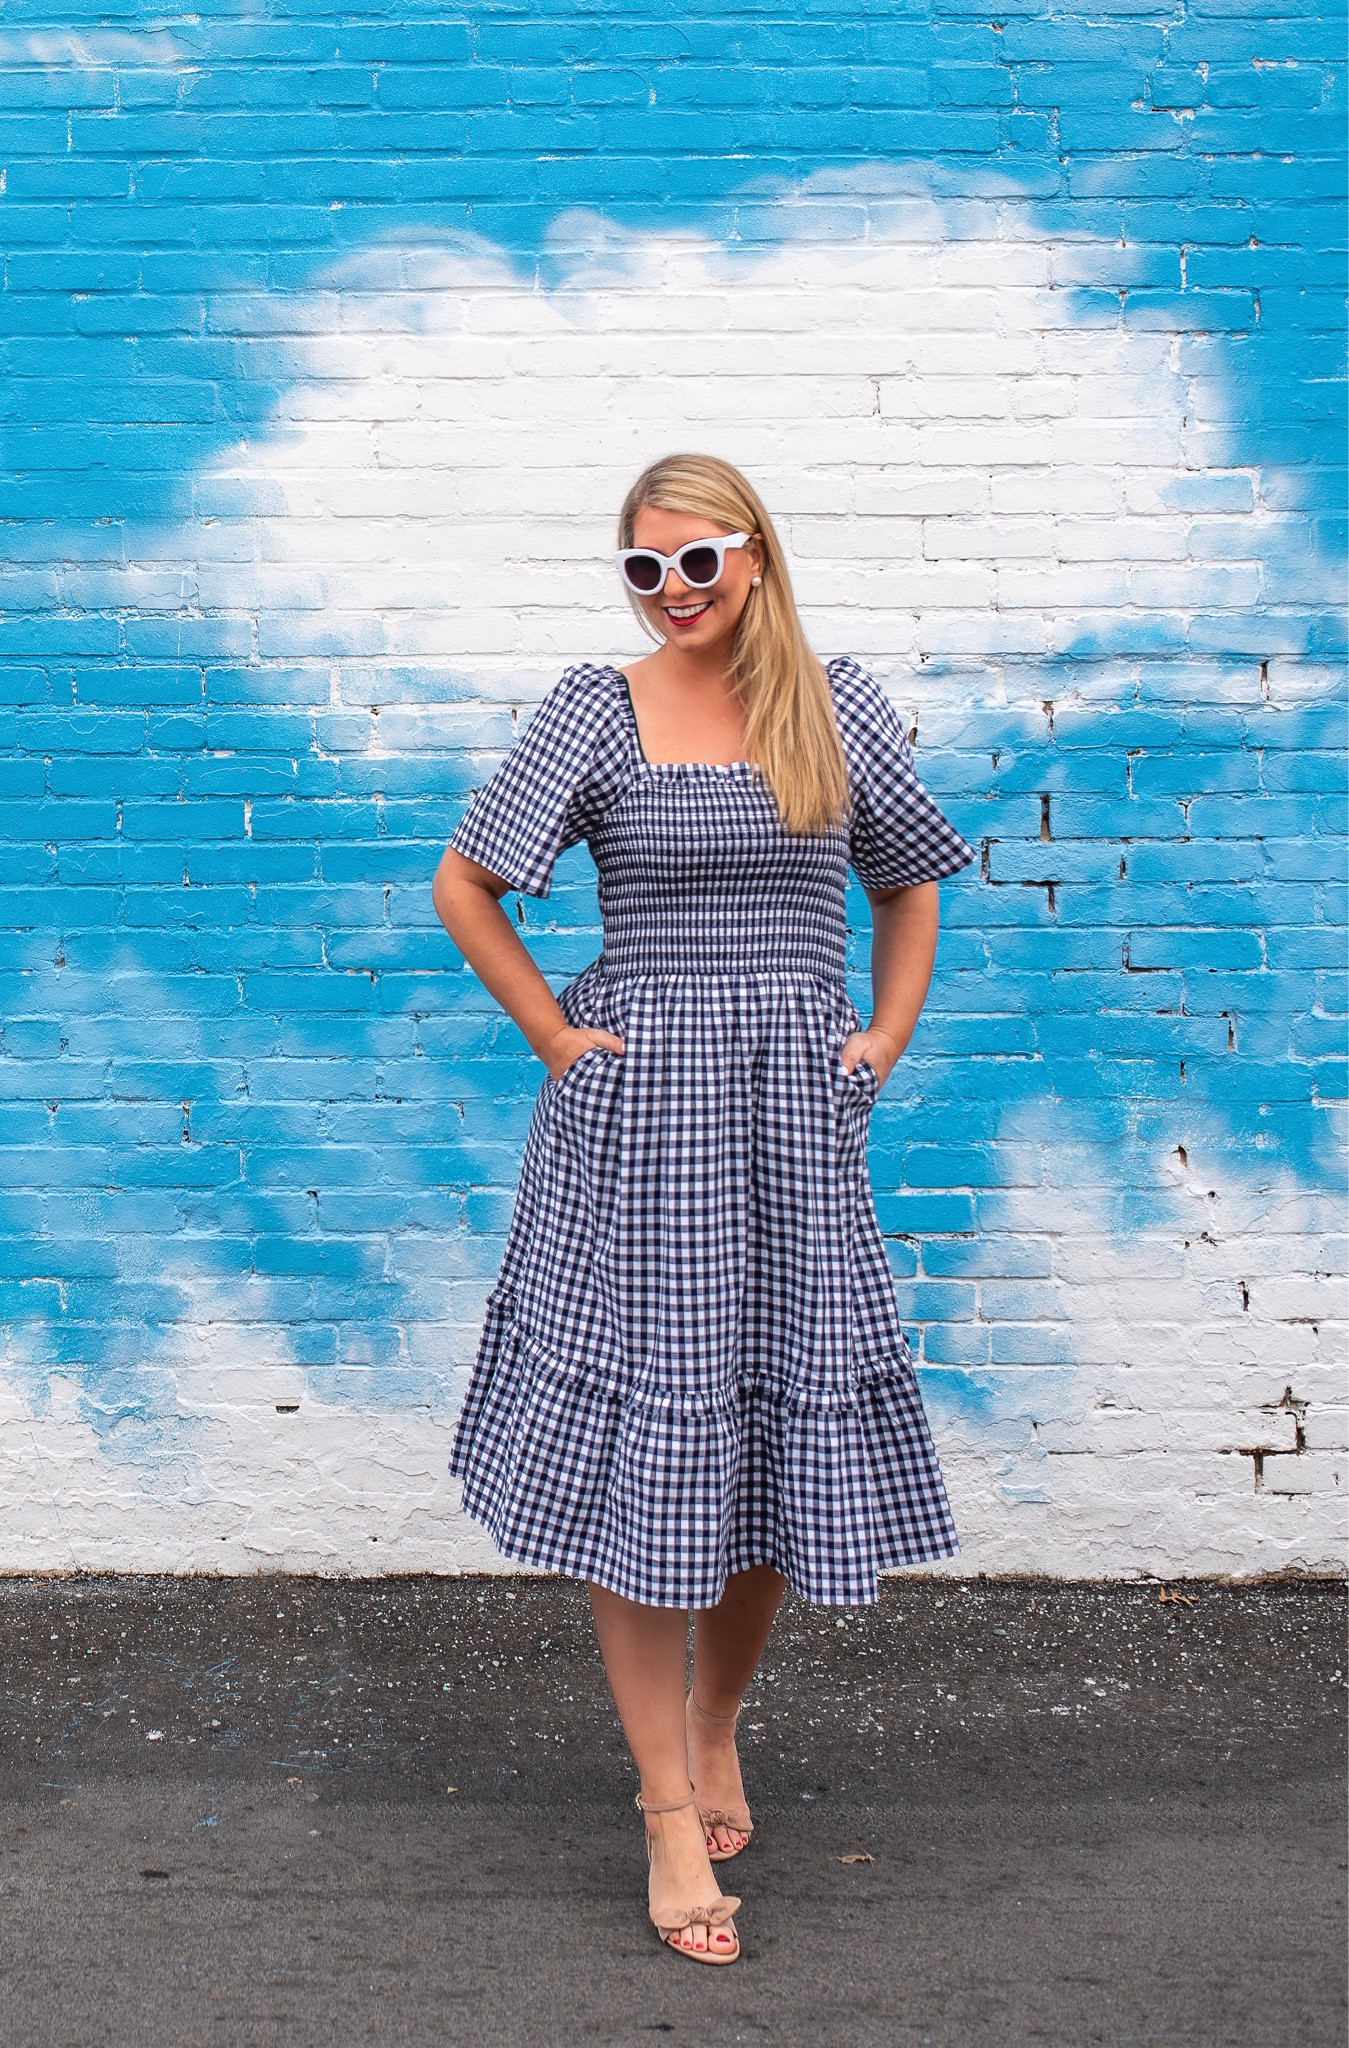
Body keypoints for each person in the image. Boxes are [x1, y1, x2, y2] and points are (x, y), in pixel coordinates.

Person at [432, 453, 972, 1965]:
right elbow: (465, 884)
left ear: (756, 559)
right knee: (651, 1446)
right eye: (644, 568)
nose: (674, 591)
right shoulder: (590, 711)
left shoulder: (834, 701)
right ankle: (666, 1806)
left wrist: (880, 1037)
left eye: (700, 560)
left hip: (793, 1128)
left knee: (764, 1442)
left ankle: (716, 1721)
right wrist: (555, 1038)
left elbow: (914, 881)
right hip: (637, 1128)